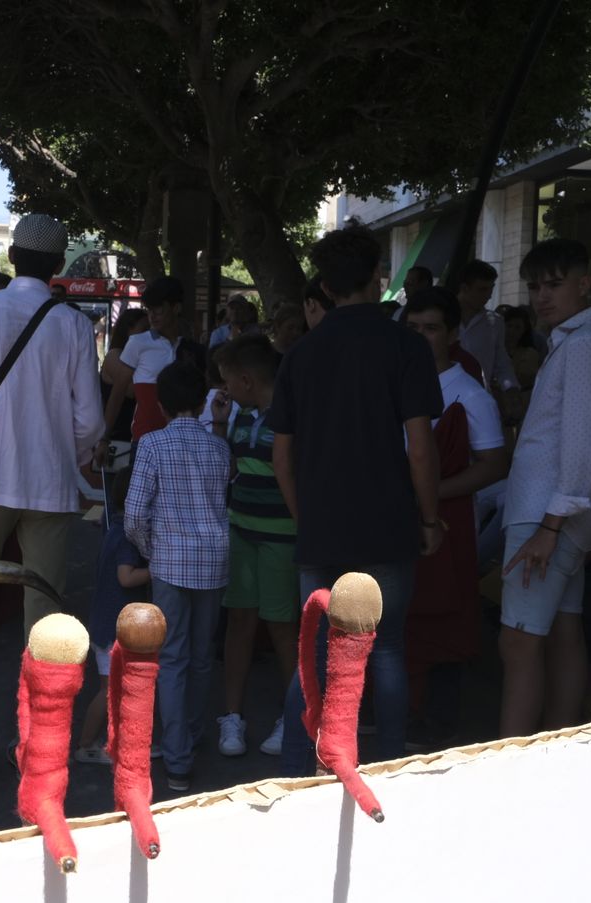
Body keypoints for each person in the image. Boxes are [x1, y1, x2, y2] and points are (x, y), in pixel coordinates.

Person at [270, 224, 444, 771]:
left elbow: (282, 457)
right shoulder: (406, 345)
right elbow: (420, 447)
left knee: (314, 653)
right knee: (386, 647)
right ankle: (390, 763)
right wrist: (431, 517)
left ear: (324, 284)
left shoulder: (301, 353)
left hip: (321, 525)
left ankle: (300, 764)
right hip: (386, 522)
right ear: (377, 277)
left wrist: (306, 516)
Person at [0, 213, 103, 758]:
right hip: (50, 484)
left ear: (11, 258)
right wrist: (71, 458)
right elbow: (90, 423)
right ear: (58, 266)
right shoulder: (75, 324)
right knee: (46, 606)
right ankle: (39, 729)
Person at [498, 239, 591, 738]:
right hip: (558, 513)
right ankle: (558, 741)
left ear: (583, 282)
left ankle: (510, 758)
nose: (541, 296)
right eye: (535, 286)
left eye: (553, 284)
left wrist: (551, 524)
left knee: (519, 641)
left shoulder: (585, 344)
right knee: (561, 630)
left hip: (547, 513)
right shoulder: (580, 342)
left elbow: (581, 443)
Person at [401, 288, 510, 747]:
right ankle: (395, 722)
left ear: (452, 333)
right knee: (395, 618)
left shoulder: (469, 393)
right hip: (396, 517)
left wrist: (430, 495)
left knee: (442, 620)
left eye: (431, 329)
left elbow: (493, 464)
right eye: (413, 329)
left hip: (445, 521)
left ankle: (437, 730)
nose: (422, 337)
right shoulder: (391, 379)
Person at [125, 362, 232, 792]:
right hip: (215, 561)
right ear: (201, 399)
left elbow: (134, 514)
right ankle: (189, 734)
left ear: (163, 404)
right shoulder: (219, 448)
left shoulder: (151, 445)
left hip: (169, 562)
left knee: (171, 658)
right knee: (203, 656)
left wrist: (152, 550)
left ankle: (176, 758)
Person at [211, 335, 299, 758]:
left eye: (229, 381)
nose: (225, 390)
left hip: (282, 535)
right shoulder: (240, 415)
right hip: (241, 530)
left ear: (247, 379)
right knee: (239, 623)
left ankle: (294, 715)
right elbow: (232, 469)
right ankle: (232, 716)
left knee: (282, 626)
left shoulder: (294, 413)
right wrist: (218, 424)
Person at [73, 515, 151, 764]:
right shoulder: (129, 537)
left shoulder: (113, 529)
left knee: (111, 689)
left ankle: (103, 740)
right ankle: (86, 745)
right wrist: (158, 567)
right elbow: (126, 577)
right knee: (109, 691)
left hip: (102, 623)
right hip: (112, 629)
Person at [103, 276, 193, 444]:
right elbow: (118, 393)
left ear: (176, 308)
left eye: (158, 309)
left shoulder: (190, 346)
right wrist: (103, 439)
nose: (152, 315)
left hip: (184, 442)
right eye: (148, 309)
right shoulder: (138, 342)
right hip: (145, 440)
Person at [455, 260, 519, 398]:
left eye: (491, 288)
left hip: (478, 397)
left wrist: (511, 389)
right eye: (482, 289)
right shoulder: (441, 318)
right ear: (465, 288)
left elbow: (501, 362)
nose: (489, 295)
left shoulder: (495, 322)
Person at [100, 308, 151, 445]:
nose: (149, 335)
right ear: (128, 329)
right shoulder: (114, 355)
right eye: (145, 329)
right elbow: (131, 390)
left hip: (139, 433)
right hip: (118, 436)